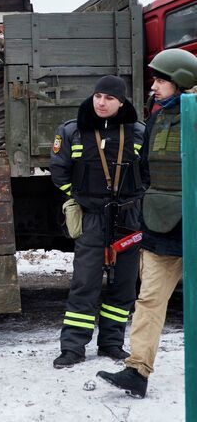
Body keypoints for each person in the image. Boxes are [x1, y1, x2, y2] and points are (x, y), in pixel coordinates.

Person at [97, 48, 197, 397]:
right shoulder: (156, 117)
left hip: (193, 221)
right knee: (150, 300)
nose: (153, 86)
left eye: (160, 80)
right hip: (160, 225)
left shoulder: (195, 113)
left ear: (181, 82)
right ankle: (137, 372)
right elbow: (145, 169)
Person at [49, 75, 149, 369]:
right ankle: (72, 348)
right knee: (85, 282)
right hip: (91, 218)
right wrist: (81, 199)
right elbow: (58, 171)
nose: (101, 103)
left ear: (121, 102)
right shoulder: (71, 131)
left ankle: (111, 343)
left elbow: (147, 173)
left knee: (125, 285)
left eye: (109, 98)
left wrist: (134, 200)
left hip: (128, 218)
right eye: (98, 96)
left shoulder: (139, 132)